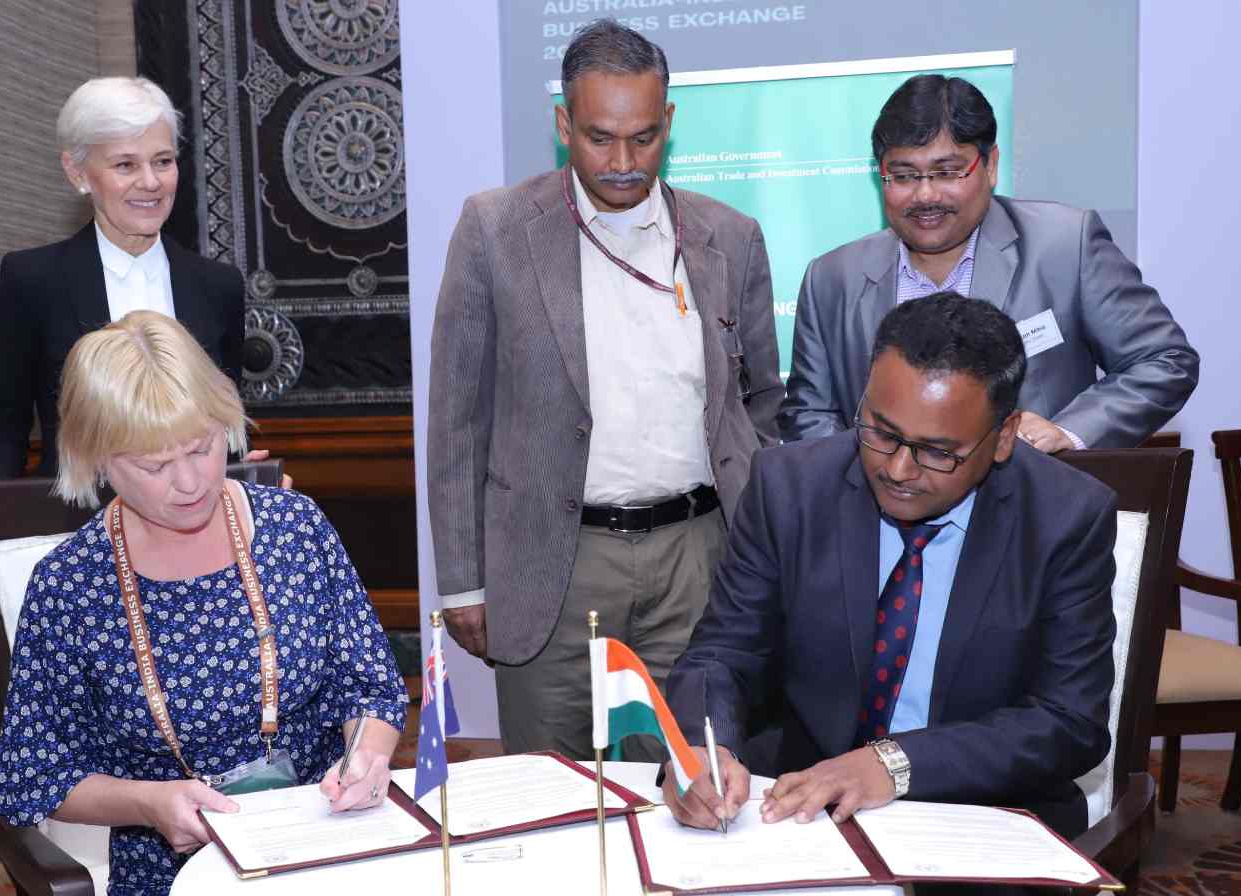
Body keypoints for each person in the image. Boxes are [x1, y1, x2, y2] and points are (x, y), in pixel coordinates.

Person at [427, 20, 782, 759]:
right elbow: (458, 417)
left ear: (670, 125)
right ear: (563, 125)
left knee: (686, 785)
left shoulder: (731, 237)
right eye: (599, 138)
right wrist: (462, 583)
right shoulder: (495, 229)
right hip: (554, 561)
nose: (623, 162)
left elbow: (761, 405)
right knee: (552, 798)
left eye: (644, 138)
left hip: (697, 558)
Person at [665, 292, 1117, 845]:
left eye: (938, 452)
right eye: (880, 432)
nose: (898, 469)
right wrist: (704, 749)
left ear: (1002, 438)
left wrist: (893, 764)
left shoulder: (1064, 518)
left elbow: (1069, 721)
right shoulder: (790, 488)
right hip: (808, 802)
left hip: (985, 814)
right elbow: (724, 652)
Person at [0, 311, 406, 896]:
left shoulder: (295, 529)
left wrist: (367, 754)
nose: (190, 483)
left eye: (202, 447)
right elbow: (36, 778)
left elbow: (370, 687)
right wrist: (150, 803)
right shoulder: (71, 586)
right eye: (154, 465)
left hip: (320, 840)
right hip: (172, 872)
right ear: (100, 460)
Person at [780, 74, 1198, 452]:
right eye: (904, 176)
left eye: (947, 172)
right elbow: (809, 414)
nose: (925, 196)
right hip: (885, 523)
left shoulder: (1065, 245)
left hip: (1033, 514)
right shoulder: (833, 278)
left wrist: (1067, 433)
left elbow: (1163, 359)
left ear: (991, 165)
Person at [0, 76, 247, 538]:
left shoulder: (219, 285)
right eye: (125, 164)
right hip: (74, 531)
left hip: (200, 531)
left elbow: (229, 422)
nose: (151, 182)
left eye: (163, 161)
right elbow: (4, 423)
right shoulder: (32, 281)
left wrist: (252, 478)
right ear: (78, 173)